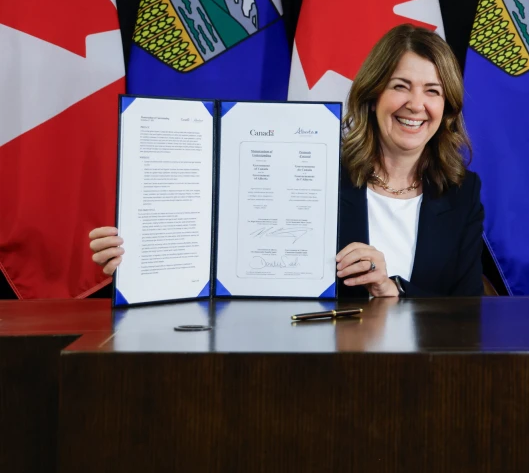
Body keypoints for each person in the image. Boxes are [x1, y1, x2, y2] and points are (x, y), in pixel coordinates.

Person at [88, 24, 484, 297]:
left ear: (446, 106)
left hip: (429, 384)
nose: (417, 104)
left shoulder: (462, 192)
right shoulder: (316, 174)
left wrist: (390, 289)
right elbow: (232, 258)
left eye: (432, 91)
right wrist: (142, 257)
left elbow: (466, 314)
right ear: (373, 95)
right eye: (401, 86)